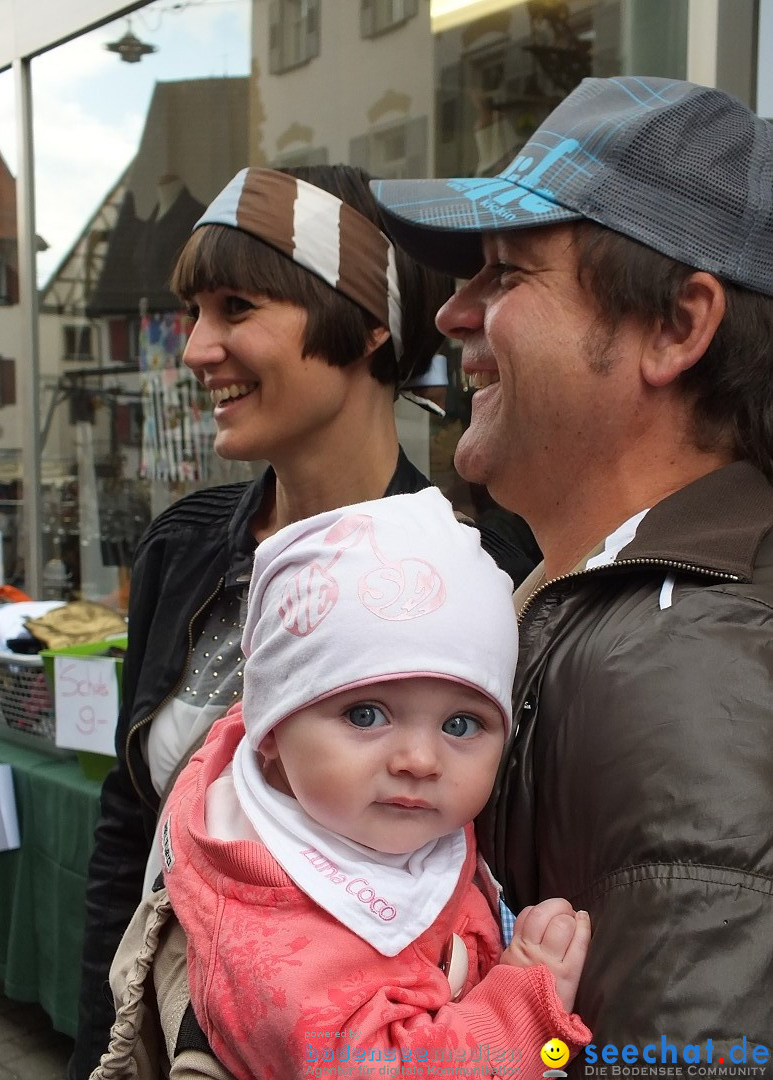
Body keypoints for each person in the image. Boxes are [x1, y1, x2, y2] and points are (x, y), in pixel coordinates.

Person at [69, 165, 538, 1080]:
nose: (198, 348)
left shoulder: (484, 575)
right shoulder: (185, 547)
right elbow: (130, 829)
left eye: (236, 306)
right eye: (195, 313)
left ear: (367, 324)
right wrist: (106, 1048)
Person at [371, 75, 773, 1069]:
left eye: (506, 275)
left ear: (678, 327)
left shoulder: (687, 670)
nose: (454, 313)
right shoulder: (607, 609)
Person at [90, 488, 591, 1080]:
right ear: (271, 726)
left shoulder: (351, 810)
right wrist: (526, 1008)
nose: (419, 759)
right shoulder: (273, 942)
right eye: (365, 714)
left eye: (462, 723)